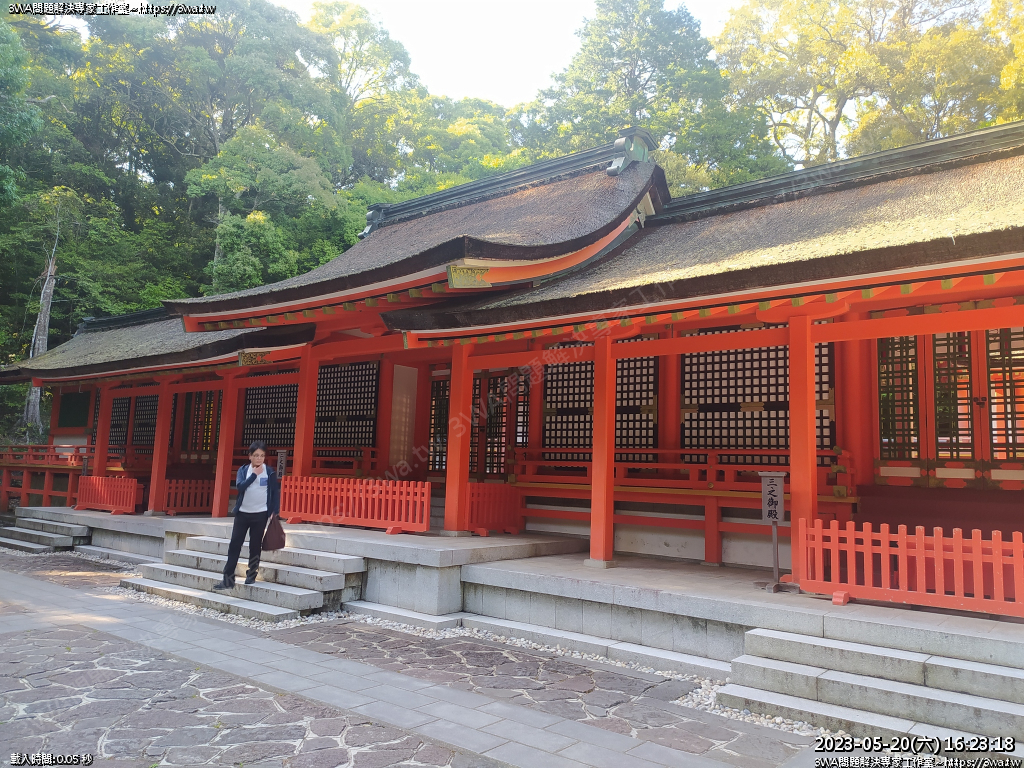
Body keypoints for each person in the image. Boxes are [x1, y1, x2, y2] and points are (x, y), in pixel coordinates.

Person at [213, 441, 280, 590]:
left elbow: (274, 492)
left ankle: (251, 574)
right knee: (234, 545)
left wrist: (275, 511)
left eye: (262, 455)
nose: (259, 458)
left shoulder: (269, 472)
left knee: (255, 546)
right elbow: (240, 486)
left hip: (260, 514)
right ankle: (228, 580)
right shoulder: (243, 470)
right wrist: (254, 475)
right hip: (242, 514)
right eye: (256, 455)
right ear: (250, 456)